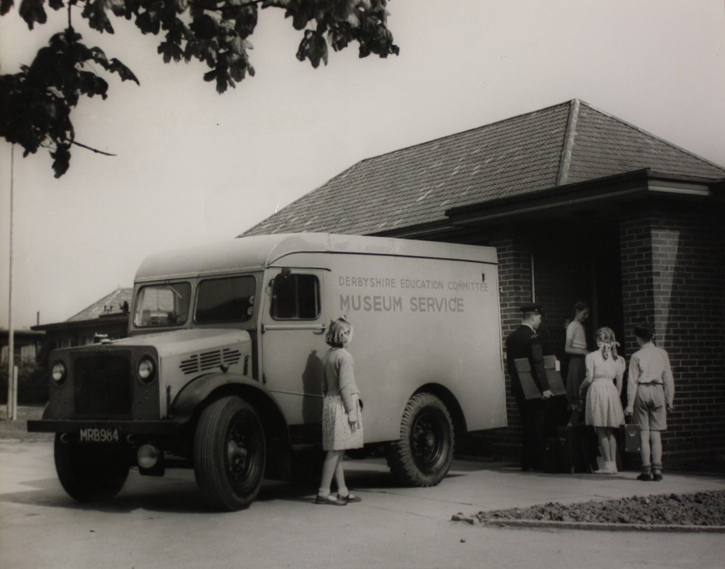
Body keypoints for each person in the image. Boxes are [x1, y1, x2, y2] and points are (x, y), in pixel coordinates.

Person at [316, 317, 364, 505]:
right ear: (344, 335)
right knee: (336, 451)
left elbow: (324, 386)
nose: (352, 337)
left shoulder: (327, 355)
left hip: (330, 402)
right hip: (342, 405)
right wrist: (351, 411)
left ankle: (342, 491)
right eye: (351, 334)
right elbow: (345, 386)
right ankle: (323, 492)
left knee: (338, 450)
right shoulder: (345, 356)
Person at [624, 322, 675, 482]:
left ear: (638, 339)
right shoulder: (662, 354)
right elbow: (668, 378)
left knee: (643, 434)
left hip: (642, 390)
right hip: (658, 390)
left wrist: (630, 404)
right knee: (656, 434)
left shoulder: (636, 356)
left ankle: (646, 470)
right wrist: (669, 399)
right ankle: (658, 470)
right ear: (652, 336)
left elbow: (632, 382)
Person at [506, 303, 553, 471]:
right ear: (533, 317)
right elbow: (538, 364)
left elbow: (510, 366)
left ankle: (525, 461)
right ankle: (536, 461)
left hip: (519, 388)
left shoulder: (511, 337)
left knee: (526, 424)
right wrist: (545, 388)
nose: (540, 321)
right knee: (537, 425)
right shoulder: (533, 338)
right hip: (534, 389)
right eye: (539, 318)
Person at [578, 327, 625, 474]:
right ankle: (612, 464)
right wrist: (616, 397)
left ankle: (607, 464)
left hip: (597, 389)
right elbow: (620, 381)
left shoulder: (591, 357)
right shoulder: (618, 359)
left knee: (600, 428)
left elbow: (589, 377)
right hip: (611, 390)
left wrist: (580, 388)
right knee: (610, 429)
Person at [564, 301, 590, 426]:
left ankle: (577, 424)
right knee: (577, 395)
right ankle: (571, 427)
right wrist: (584, 352)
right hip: (576, 362)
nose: (586, 317)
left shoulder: (580, 326)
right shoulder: (572, 326)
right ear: (577, 312)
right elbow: (567, 348)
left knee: (583, 396)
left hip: (583, 362)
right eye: (584, 313)